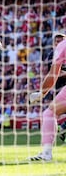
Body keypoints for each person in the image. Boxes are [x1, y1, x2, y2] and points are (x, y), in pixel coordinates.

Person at [29, 33, 66, 161]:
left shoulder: (63, 46)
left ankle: (46, 153)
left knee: (49, 113)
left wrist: (41, 93)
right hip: (60, 89)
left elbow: (53, 74)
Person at [45, 33, 66, 142]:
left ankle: (62, 128)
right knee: (51, 112)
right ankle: (62, 129)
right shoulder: (51, 55)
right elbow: (52, 73)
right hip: (59, 89)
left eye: (61, 41)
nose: (59, 43)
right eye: (57, 41)